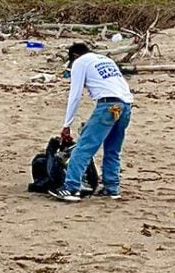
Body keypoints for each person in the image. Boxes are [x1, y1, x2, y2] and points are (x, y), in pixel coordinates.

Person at [51, 42, 134, 202]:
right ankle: (112, 188)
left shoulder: (80, 62)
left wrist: (67, 124)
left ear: (74, 56)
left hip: (108, 106)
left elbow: (75, 95)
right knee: (113, 148)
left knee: (84, 147)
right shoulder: (105, 60)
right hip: (126, 105)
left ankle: (71, 187)